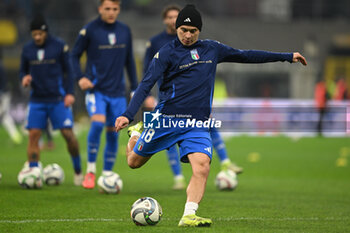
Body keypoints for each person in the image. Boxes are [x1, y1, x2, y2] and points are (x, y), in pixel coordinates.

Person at [115, 4, 307, 227]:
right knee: (133, 162)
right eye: (183, 30)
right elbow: (146, 84)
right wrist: (129, 115)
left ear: (199, 31)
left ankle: (189, 214)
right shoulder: (166, 53)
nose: (188, 35)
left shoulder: (212, 49)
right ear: (177, 29)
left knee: (202, 165)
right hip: (165, 120)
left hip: (197, 123)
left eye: (193, 31)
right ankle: (135, 135)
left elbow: (246, 56)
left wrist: (286, 56)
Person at [143, 5, 242, 190]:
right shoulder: (158, 43)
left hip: (193, 106)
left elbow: (244, 55)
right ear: (165, 20)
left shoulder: (205, 48)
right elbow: (147, 74)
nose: (173, 20)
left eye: (176, 17)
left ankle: (225, 162)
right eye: (170, 17)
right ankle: (178, 176)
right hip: (167, 102)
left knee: (209, 126)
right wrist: (146, 96)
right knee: (162, 142)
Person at [70, 0, 138, 189]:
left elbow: (129, 61)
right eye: (107, 8)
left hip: (117, 91)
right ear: (100, 9)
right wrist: (80, 77)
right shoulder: (89, 30)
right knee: (98, 123)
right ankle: (90, 171)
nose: (111, 12)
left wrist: (135, 88)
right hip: (96, 90)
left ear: (119, 10)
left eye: (114, 9)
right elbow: (74, 55)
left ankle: (107, 173)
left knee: (113, 131)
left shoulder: (125, 31)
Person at [19, 15, 82, 185]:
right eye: (34, 34)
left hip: (58, 99)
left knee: (68, 134)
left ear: (46, 32)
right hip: (37, 100)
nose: (37, 37)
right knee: (33, 135)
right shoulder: (27, 49)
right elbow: (22, 70)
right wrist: (24, 77)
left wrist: (70, 93)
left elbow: (69, 71)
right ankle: (33, 173)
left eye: (40, 33)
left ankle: (78, 170)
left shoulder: (59, 46)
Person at [0, 58, 23, 145]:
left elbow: (3, 84)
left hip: (3, 95)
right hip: (4, 94)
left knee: (3, 115)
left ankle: (16, 136)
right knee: (4, 116)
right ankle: (15, 136)